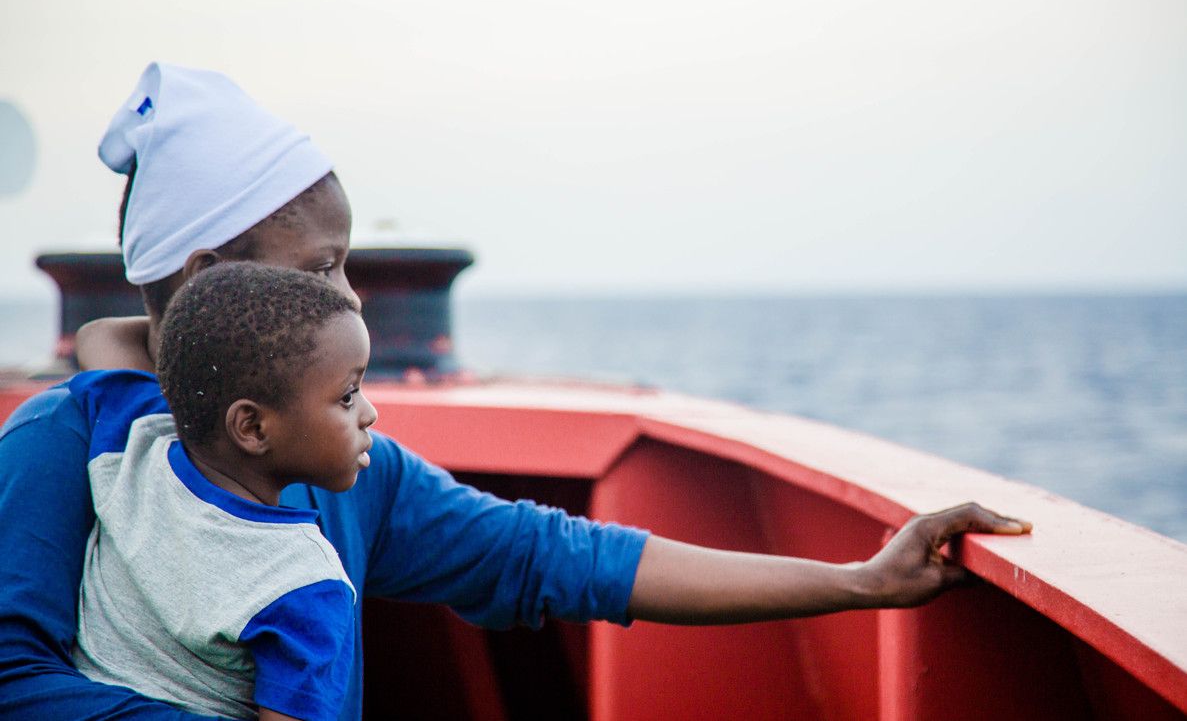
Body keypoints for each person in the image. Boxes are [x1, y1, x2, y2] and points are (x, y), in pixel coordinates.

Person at [0, 62, 1032, 721]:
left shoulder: (350, 475)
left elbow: (560, 555)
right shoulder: (59, 441)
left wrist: (859, 579)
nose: (349, 295)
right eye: (320, 271)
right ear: (206, 274)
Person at [72, 263, 375, 721]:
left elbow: (98, 336)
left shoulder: (132, 440)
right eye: (348, 395)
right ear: (251, 426)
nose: (369, 413)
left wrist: (194, 338)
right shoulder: (305, 584)